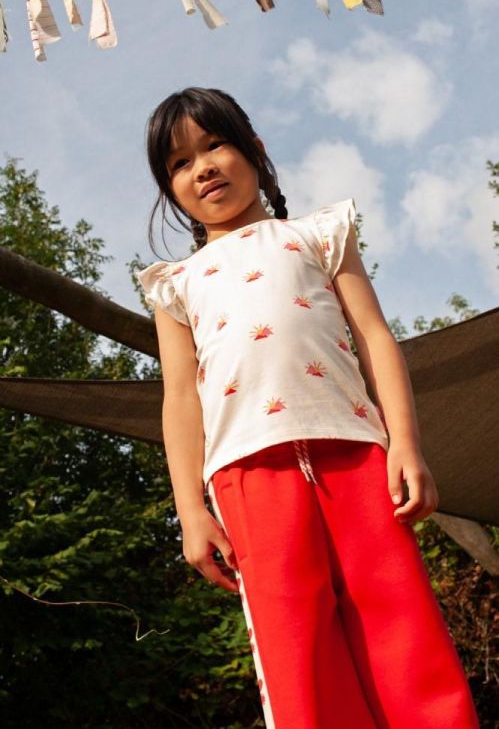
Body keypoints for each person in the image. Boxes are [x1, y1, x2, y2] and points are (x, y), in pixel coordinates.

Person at [136, 87, 480, 729]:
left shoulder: (318, 234)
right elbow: (180, 398)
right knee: (296, 645)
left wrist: (405, 444)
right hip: (247, 473)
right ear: (170, 188)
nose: (202, 168)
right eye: (180, 163)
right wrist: (189, 510)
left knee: (401, 621)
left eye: (215, 145)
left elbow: (374, 335)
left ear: (255, 150)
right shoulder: (175, 285)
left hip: (356, 452)